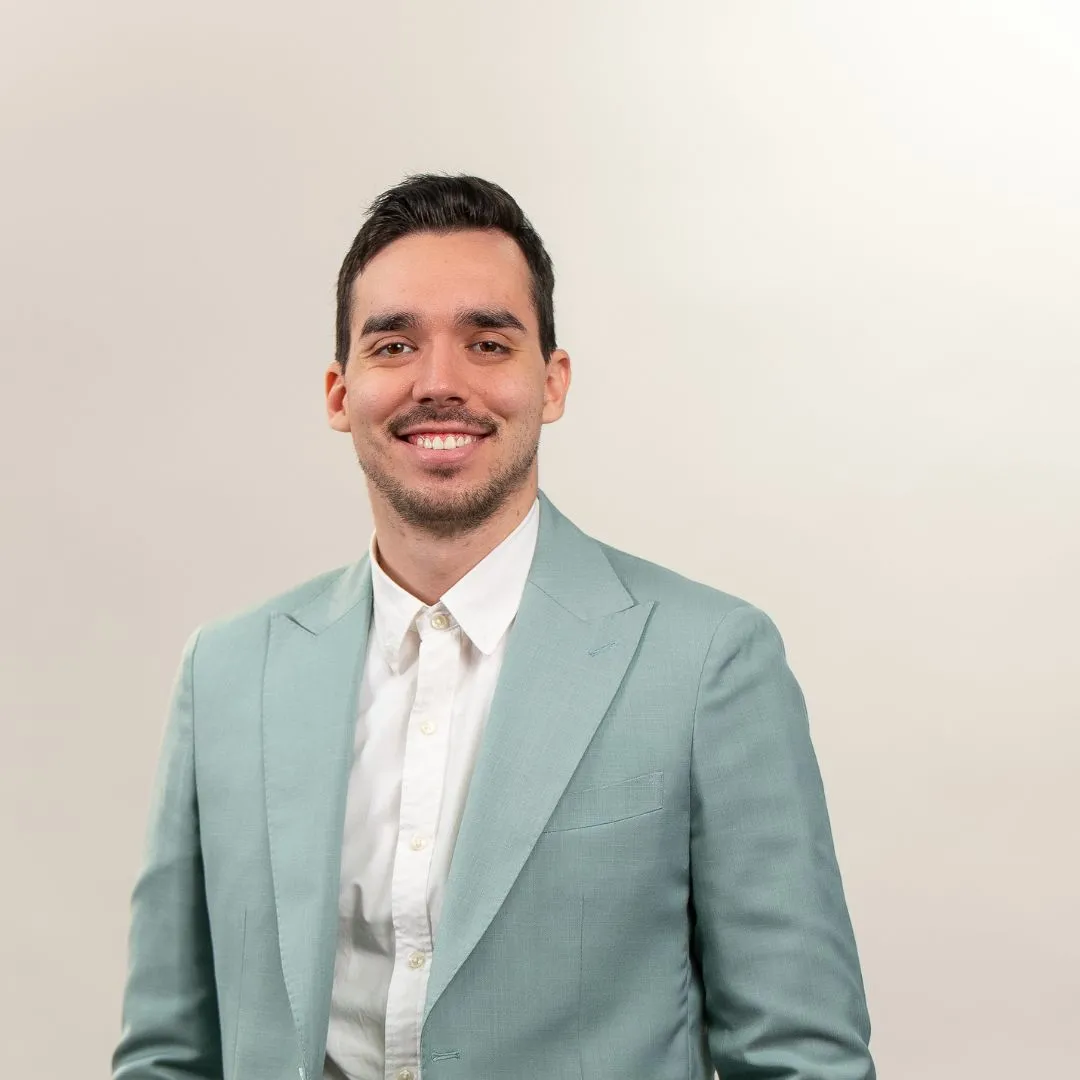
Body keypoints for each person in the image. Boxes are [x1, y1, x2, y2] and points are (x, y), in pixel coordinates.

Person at [112, 173, 876, 1080]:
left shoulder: (709, 662)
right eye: (395, 344)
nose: (440, 384)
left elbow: (799, 1057)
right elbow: (168, 1053)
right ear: (337, 391)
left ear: (550, 382)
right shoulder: (228, 673)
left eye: (487, 342)